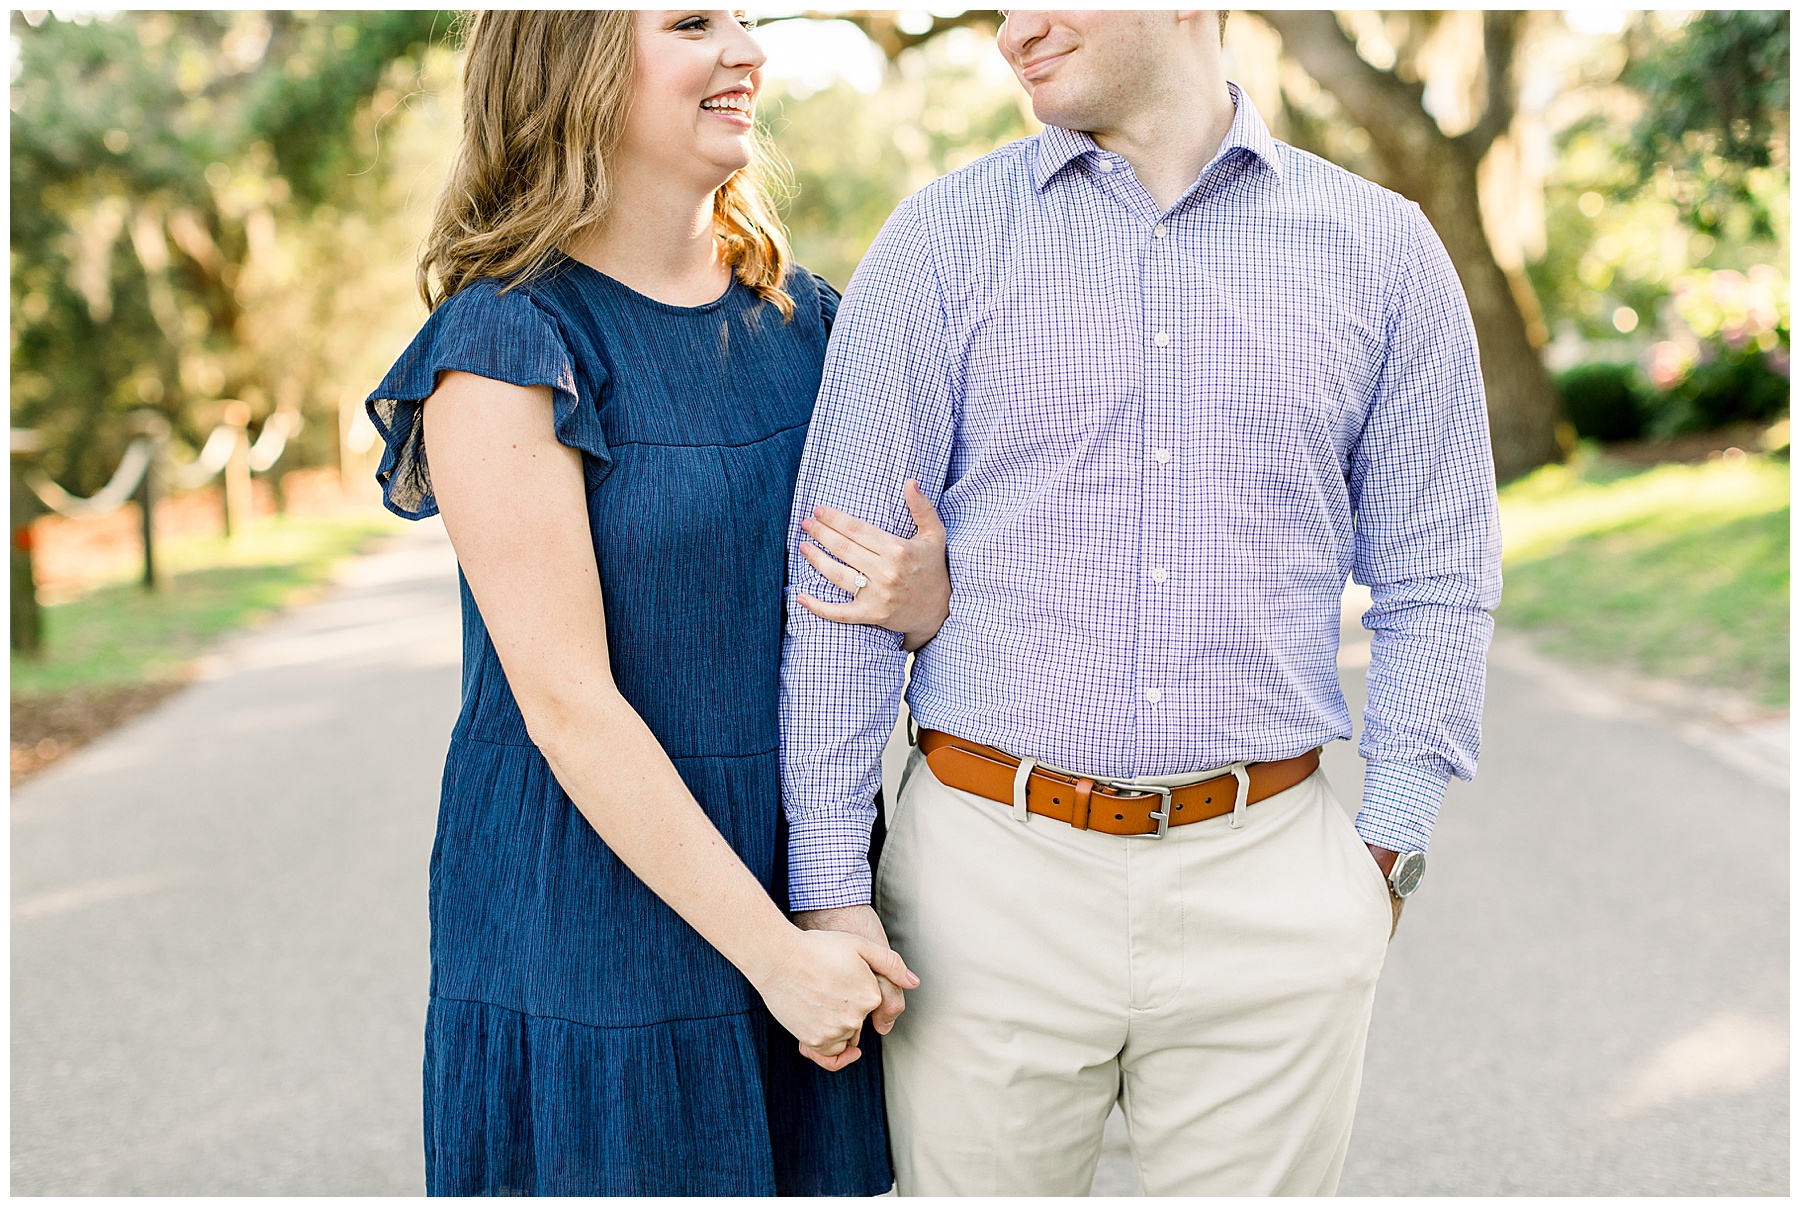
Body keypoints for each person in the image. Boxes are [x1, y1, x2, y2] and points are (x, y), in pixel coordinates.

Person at [780, 8, 1502, 1197]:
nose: (1016, 29)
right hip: (983, 887)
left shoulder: (1382, 250)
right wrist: (831, 890)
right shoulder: (942, 242)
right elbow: (839, 585)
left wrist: (1390, 850)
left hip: (1273, 878)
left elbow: (1438, 571)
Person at [365, 10, 951, 1196]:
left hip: (805, 881)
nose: (747, 49)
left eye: (747, 19)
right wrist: (772, 955)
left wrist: (928, 597)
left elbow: (894, 603)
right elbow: (567, 704)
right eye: (693, 21)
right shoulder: (507, 343)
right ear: (570, 62)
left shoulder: (812, 323)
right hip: (592, 912)